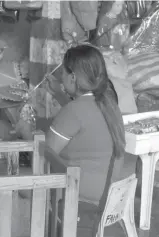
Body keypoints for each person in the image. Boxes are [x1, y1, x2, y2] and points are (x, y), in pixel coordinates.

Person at [45, 44, 126, 235]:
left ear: (73, 77)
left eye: (63, 73)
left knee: (32, 181)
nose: (61, 77)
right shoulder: (110, 105)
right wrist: (59, 93)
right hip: (111, 197)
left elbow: (46, 151)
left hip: (82, 202)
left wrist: (24, 131)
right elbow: (84, 117)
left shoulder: (73, 111)